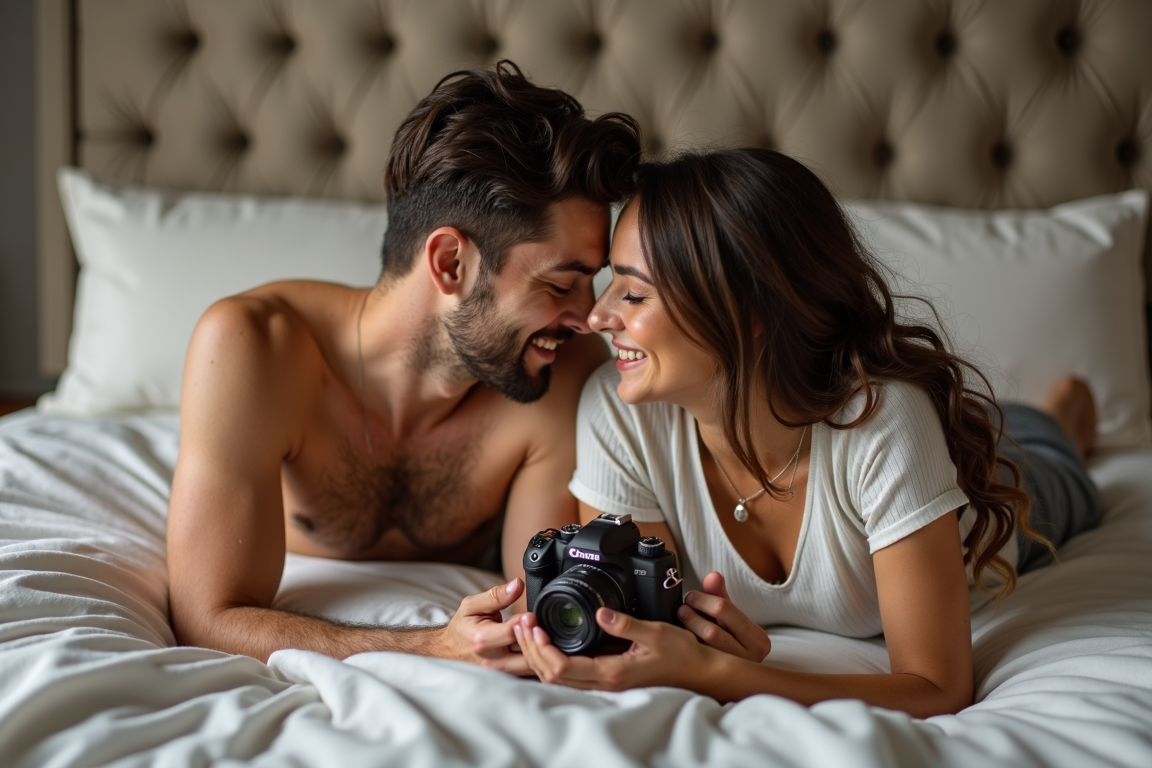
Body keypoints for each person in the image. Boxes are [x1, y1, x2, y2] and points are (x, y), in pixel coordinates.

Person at [514, 148, 1102, 716]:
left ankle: (1064, 418)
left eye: (635, 293)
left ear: (751, 312)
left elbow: (937, 687)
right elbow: (650, 631)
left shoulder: (883, 423)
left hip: (991, 493)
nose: (597, 317)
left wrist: (723, 675)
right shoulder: (618, 410)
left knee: (1044, 466)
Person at [166, 61, 641, 670]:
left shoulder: (562, 372)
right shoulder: (254, 347)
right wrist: (431, 647)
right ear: (449, 263)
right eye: (559, 284)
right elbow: (208, 616)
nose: (589, 317)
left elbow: (538, 606)